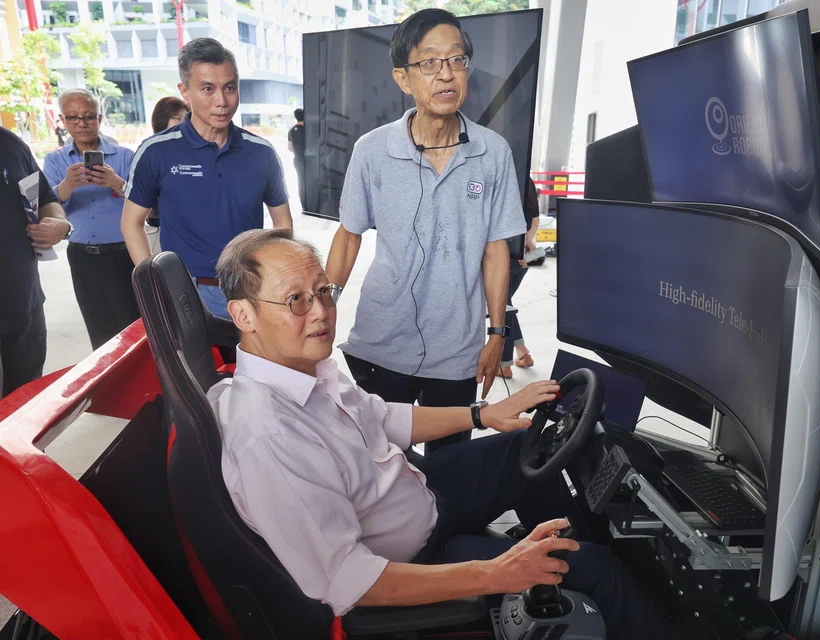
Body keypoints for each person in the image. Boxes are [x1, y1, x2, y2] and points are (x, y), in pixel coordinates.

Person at [208, 228, 672, 639]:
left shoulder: (306, 370)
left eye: (324, 291)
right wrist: (497, 574)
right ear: (243, 315)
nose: (321, 312)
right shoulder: (267, 433)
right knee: (596, 568)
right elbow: (345, 580)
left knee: (531, 442)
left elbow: (381, 417)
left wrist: (481, 415)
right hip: (417, 559)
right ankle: (587, 577)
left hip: (423, 491)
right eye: (296, 300)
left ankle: (563, 543)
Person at [326, 9, 526, 453]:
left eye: (457, 60)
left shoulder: (492, 153)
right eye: (430, 63)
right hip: (382, 340)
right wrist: (327, 302)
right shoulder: (372, 151)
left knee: (450, 470)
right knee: (379, 463)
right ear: (403, 78)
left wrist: (497, 333)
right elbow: (348, 234)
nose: (446, 74)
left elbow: (496, 251)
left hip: (456, 348)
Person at [120, 38, 293, 319]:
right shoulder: (156, 151)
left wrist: (272, 274)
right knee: (197, 364)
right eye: (207, 89)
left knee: (251, 363)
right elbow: (131, 223)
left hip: (251, 289)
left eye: (229, 88)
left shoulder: (261, 152)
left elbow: (283, 222)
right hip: (187, 293)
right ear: (185, 91)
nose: (221, 102)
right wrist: (156, 284)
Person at [42, 88, 139, 350]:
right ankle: (110, 387)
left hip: (125, 254)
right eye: (73, 118)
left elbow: (147, 203)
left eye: (88, 117)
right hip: (84, 257)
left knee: (135, 326)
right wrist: (67, 185)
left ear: (100, 117)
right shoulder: (55, 161)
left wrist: (117, 183)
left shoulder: (125, 157)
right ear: (63, 121)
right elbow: (46, 204)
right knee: (99, 329)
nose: (81, 124)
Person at [0, 126, 70, 397]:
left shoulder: (11, 145)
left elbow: (45, 199)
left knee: (26, 399)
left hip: (23, 304)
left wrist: (59, 224)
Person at [499, 178, 540, 379]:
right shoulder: (528, 183)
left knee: (502, 308)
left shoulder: (507, 183)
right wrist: (527, 243)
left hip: (505, 259)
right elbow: (535, 220)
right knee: (507, 306)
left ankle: (504, 365)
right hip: (521, 259)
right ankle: (523, 353)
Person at [143, 96, 190, 256]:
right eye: (177, 118)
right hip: (161, 232)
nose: (184, 123)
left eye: (186, 118)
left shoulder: (193, 153)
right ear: (162, 119)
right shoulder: (150, 152)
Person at [287, 107, 305, 208]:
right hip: (311, 160)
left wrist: (298, 152)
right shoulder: (309, 129)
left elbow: (289, 148)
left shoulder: (292, 131)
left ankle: (303, 205)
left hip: (298, 160)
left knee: (300, 182)